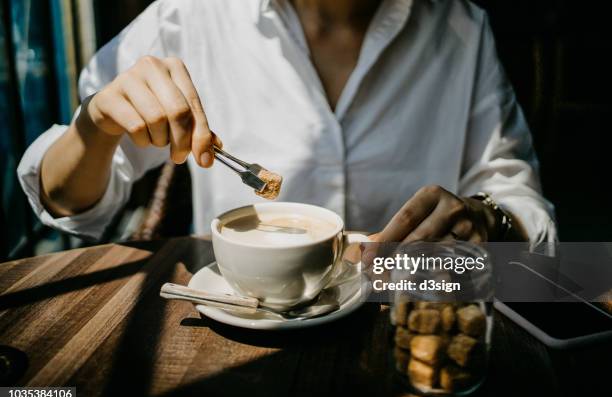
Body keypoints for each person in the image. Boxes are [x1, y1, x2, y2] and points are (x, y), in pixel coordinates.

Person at [17, 0, 556, 244]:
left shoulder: (462, 29)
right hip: (238, 330)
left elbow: (523, 209)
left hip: (402, 319)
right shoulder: (192, 15)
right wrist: (95, 127)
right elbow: (64, 203)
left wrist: (487, 220)